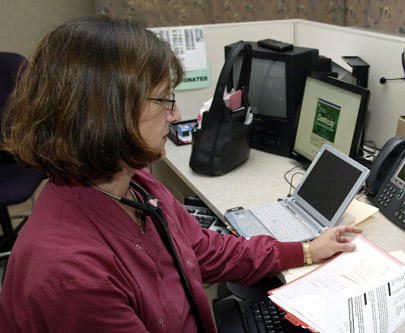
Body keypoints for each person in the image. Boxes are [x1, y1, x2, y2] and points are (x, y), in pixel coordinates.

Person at [0, 15, 362, 332]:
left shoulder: (134, 185)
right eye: (163, 100)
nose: (174, 116)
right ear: (107, 114)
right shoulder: (71, 277)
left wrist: (307, 250)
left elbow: (204, 252)